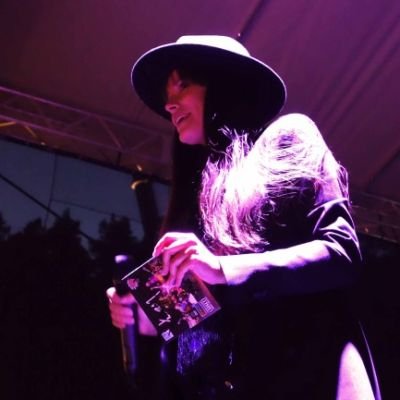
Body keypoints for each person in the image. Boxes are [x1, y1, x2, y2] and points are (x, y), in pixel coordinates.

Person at [107, 35, 381, 399]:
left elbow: (341, 253)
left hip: (316, 378)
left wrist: (221, 269)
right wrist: (147, 319)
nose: (169, 104)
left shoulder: (288, 136)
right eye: (167, 95)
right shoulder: (198, 202)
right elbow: (205, 330)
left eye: (182, 85)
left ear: (224, 83)